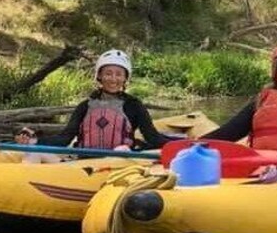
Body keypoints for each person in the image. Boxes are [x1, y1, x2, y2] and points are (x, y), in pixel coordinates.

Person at [15, 49, 172, 159]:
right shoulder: (85, 106)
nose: (113, 79)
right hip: (84, 162)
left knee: (122, 150)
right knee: (33, 154)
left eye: (119, 74)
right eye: (108, 73)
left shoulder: (134, 105)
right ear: (100, 76)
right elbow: (64, 138)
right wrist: (34, 140)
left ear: (125, 78)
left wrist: (184, 143)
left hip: (118, 163)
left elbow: (153, 137)